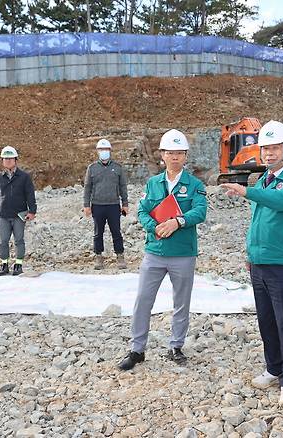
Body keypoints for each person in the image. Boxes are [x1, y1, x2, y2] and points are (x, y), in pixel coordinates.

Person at [221, 120, 283, 408]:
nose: (269, 154)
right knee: (267, 322)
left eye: (274, 148)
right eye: (265, 149)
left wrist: (247, 191)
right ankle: (273, 368)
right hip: (259, 264)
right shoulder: (263, 181)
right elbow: (258, 222)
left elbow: (281, 201)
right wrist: (251, 254)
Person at [118, 129, 208, 371]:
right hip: (155, 252)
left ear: (185, 156)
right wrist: (156, 227)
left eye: (179, 153)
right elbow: (142, 211)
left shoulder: (195, 185)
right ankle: (137, 349)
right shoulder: (153, 183)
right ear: (163, 155)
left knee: (181, 302)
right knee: (143, 300)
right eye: (171, 152)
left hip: (183, 253)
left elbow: (200, 212)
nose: (175, 157)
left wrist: (178, 222)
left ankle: (176, 346)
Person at [83, 139, 129, 270]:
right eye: (101, 150)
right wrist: (86, 205)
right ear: (97, 151)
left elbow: (123, 187)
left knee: (116, 232)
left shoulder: (118, 168)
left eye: (106, 150)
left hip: (114, 205)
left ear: (110, 151)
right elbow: (87, 187)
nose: (104, 152)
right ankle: (98, 257)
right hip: (97, 205)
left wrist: (125, 204)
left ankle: (120, 256)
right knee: (98, 233)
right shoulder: (92, 168)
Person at [0, 146, 37, 276]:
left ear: (15, 160)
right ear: (2, 161)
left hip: (19, 214)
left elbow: (30, 195)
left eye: (10, 158)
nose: (7, 161)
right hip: (3, 215)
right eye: (5, 159)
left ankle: (18, 264)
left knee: (19, 240)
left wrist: (32, 211)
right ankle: (4, 264)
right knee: (3, 240)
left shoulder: (24, 177)